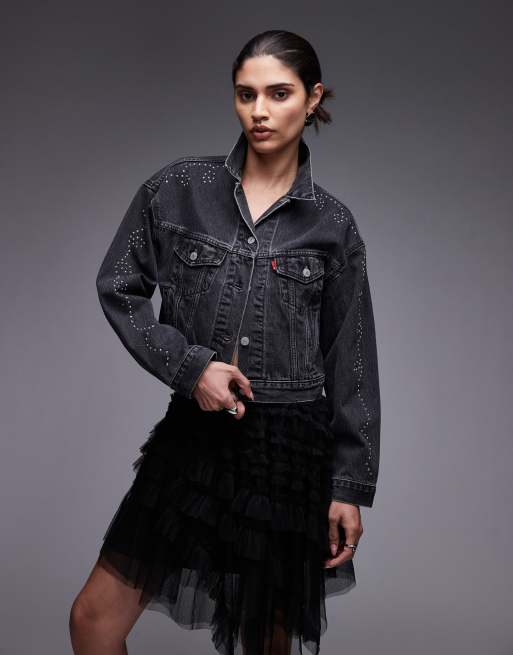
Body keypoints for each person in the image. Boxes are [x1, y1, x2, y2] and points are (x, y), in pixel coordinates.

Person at [69, 29, 381, 655]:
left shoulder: (333, 225)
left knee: (265, 642)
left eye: (279, 93)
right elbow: (119, 287)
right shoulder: (178, 188)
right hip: (195, 436)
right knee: (93, 621)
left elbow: (351, 363)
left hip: (289, 453)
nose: (259, 111)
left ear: (313, 99)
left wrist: (349, 487)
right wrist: (192, 368)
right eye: (246, 94)